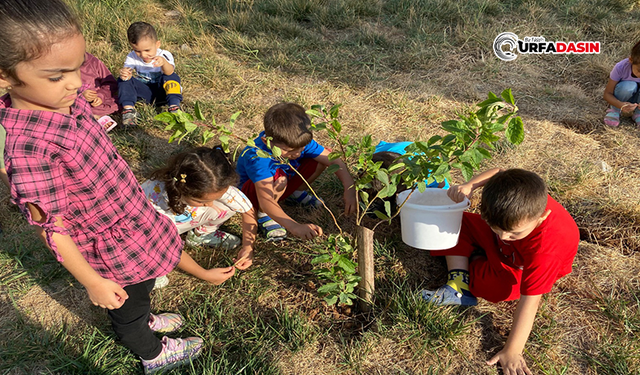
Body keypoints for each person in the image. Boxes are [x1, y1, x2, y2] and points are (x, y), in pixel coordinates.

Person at [0, 1, 201, 373]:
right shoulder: (29, 149)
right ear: (4, 76)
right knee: (128, 301)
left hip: (126, 212)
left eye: (77, 68)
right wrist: (92, 281)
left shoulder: (59, 99)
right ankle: (151, 352)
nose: (76, 82)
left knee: (142, 289)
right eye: (58, 75)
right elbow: (52, 228)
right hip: (107, 243)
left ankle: (144, 318)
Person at [422, 168, 579, 375]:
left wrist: (513, 350)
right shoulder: (518, 203)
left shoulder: (545, 251)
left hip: (518, 266)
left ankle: (476, 258)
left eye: (514, 234)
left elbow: (530, 302)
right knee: (451, 222)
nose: (504, 237)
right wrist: (472, 184)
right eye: (496, 228)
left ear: (542, 217)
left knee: (499, 289)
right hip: (504, 248)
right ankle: (459, 283)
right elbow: (499, 173)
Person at [236, 102, 357, 241]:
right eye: (290, 151)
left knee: (322, 157)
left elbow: (333, 160)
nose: (298, 154)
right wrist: (294, 226)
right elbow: (266, 199)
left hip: (282, 182)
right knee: (279, 179)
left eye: (301, 148)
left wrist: (349, 189)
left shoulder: (298, 142)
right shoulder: (258, 157)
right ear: (266, 141)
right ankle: (264, 216)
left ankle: (295, 194)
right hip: (255, 196)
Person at [141, 146, 257, 285]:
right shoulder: (156, 202)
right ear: (183, 189)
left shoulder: (214, 182)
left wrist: (248, 247)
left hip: (177, 222)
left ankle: (200, 236)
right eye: (202, 201)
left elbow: (247, 210)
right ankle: (155, 269)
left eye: (214, 198)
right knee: (152, 247)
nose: (209, 204)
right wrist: (205, 274)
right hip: (151, 233)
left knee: (228, 205)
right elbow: (167, 245)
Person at [118, 21, 182, 127]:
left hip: (164, 92)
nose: (143, 55)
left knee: (171, 76)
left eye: (147, 50)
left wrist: (164, 63)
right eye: (137, 51)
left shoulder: (164, 55)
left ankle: (174, 106)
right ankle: (128, 110)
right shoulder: (132, 56)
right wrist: (125, 74)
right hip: (145, 93)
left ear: (157, 44)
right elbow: (127, 70)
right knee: (123, 80)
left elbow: (169, 71)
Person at [603, 40, 640, 127]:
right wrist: (619, 105)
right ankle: (614, 110)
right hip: (622, 98)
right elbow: (607, 94)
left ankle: (638, 114)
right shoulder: (621, 67)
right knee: (628, 86)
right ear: (631, 60)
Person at [80, 52, 118, 132]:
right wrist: (80, 94)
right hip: (77, 103)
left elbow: (110, 83)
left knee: (118, 102)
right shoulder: (60, 68)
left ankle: (94, 117)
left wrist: (101, 96)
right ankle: (95, 117)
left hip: (100, 101)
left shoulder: (93, 62)